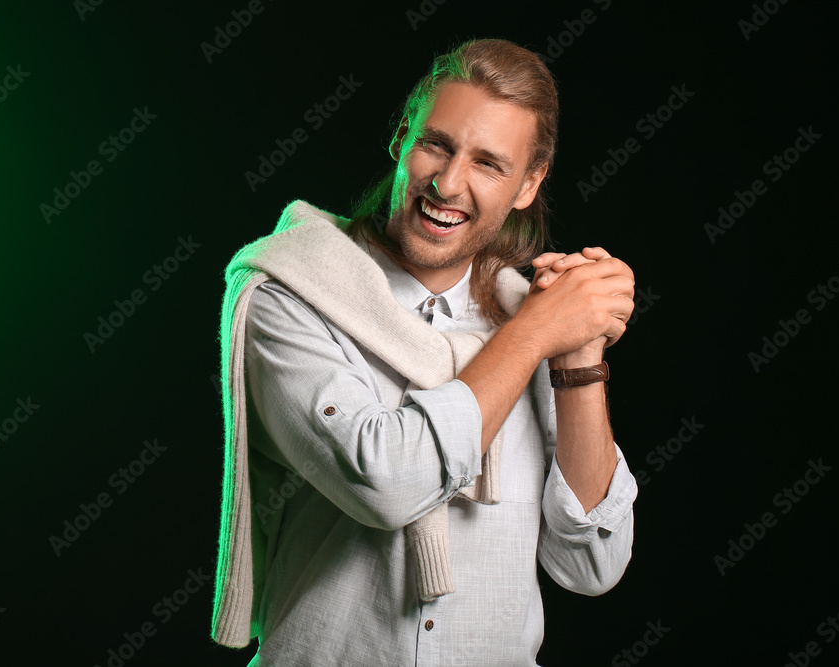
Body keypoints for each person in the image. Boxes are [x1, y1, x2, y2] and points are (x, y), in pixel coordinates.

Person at [212, 38, 638, 666]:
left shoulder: (534, 315)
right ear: (400, 142)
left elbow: (590, 564)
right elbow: (386, 483)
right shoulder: (290, 291)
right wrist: (535, 335)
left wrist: (579, 355)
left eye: (490, 164)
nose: (448, 182)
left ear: (528, 184)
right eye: (436, 143)